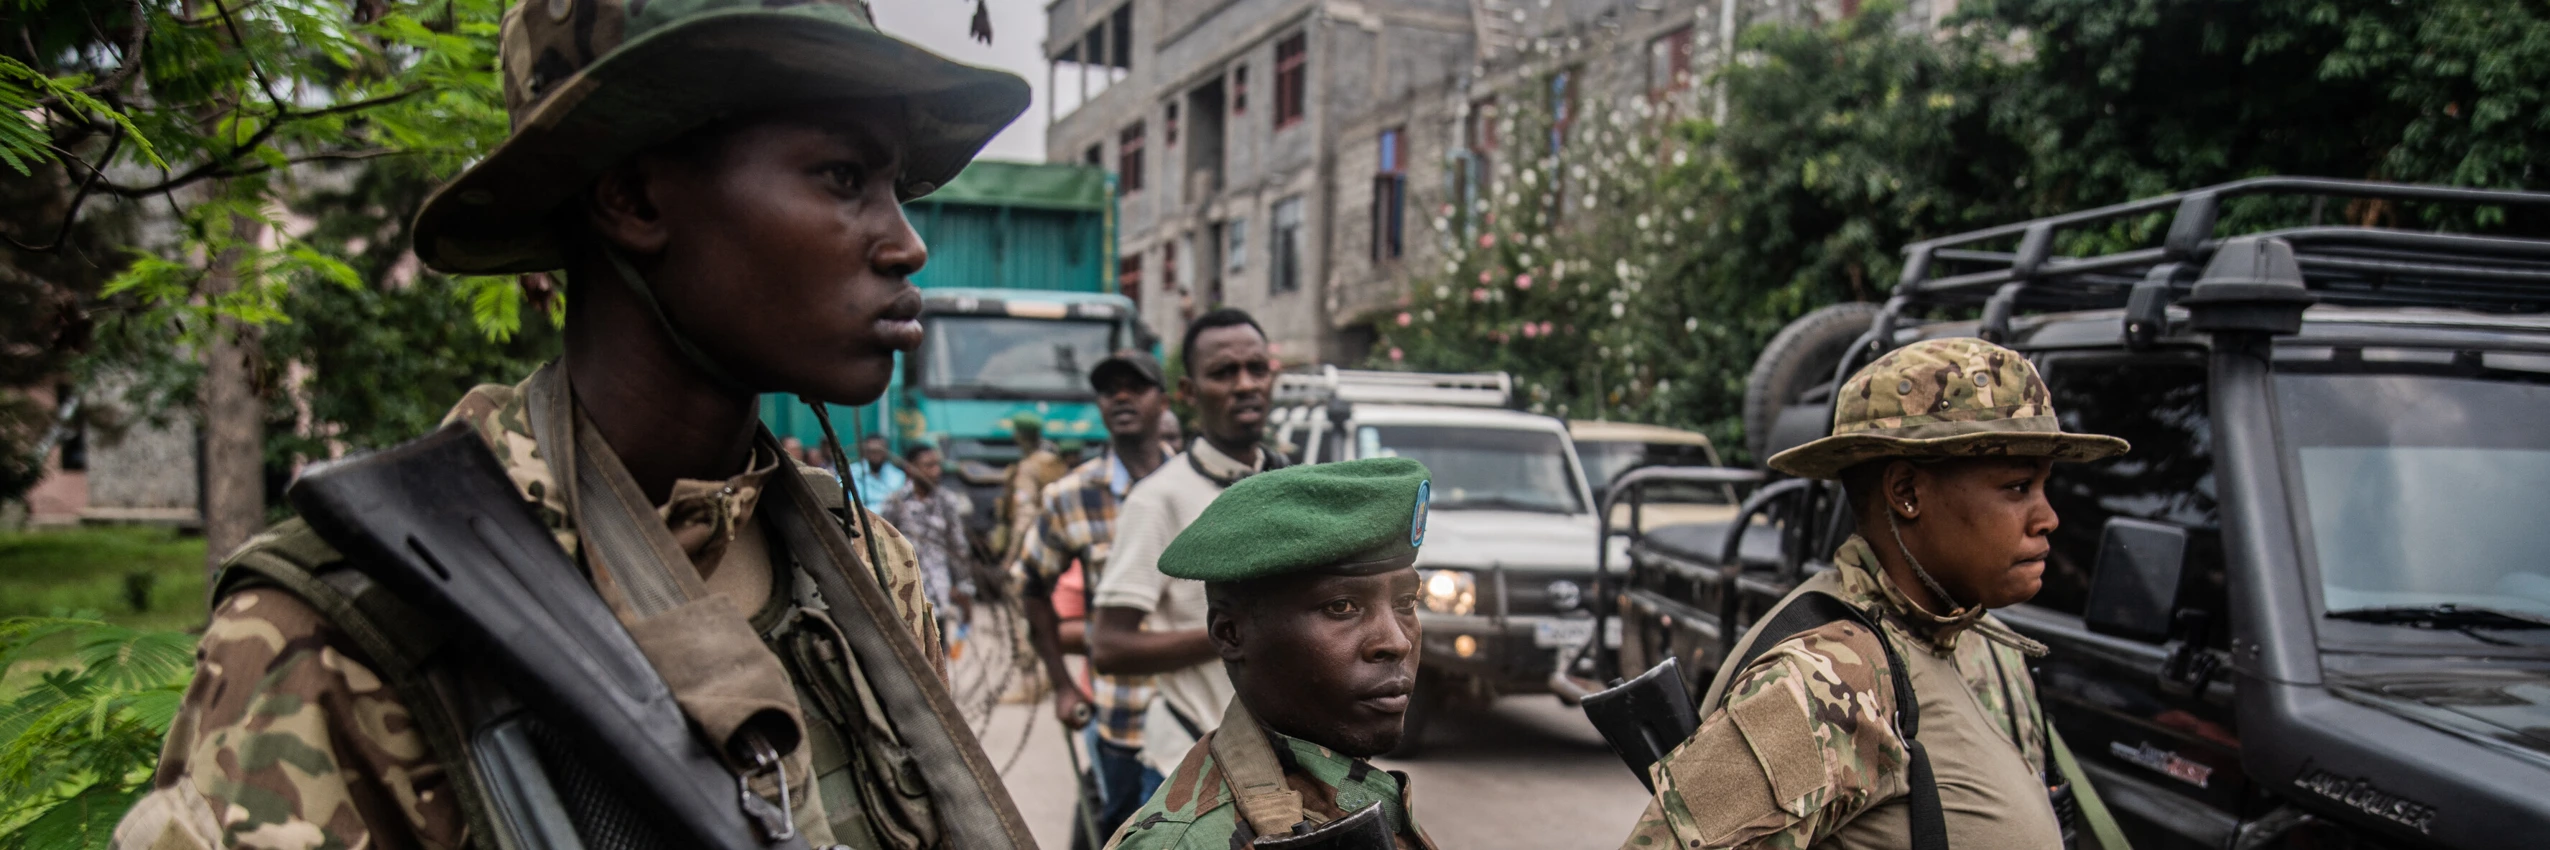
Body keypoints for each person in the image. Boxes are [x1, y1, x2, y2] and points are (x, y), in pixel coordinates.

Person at [107, 0, 1040, 846]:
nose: (905, 241)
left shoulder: (861, 572)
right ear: (632, 197)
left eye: (894, 185)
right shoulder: (361, 624)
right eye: (842, 176)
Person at [1618, 337, 2129, 850]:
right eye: (2017, 487)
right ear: (1906, 493)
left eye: (2044, 487)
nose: (2049, 518)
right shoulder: (1824, 679)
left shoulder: (1982, 639)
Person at [1104, 457, 1438, 850]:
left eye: (1405, 601)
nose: (1397, 641)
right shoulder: (1189, 842)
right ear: (1230, 634)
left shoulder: (1341, 784)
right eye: (1341, 607)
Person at [1090, 308, 1281, 779]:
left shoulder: (1288, 485)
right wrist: (1241, 636)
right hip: (1194, 762)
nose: (1245, 384)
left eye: (1256, 369)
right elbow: (1109, 647)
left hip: (1279, 762)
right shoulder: (1157, 499)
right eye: (1223, 372)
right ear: (1189, 394)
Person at [1019, 350, 1176, 845]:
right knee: (1123, 835)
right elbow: (1030, 587)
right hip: (1121, 717)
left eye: (1138, 385)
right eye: (1111, 389)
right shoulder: (1071, 496)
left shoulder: (1199, 488)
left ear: (1164, 400)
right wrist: (1063, 684)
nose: (1123, 396)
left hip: (1199, 714)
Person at [882, 441, 975, 643]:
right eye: (928, 466)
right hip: (904, 595)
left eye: (937, 465)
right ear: (911, 468)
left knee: (936, 660)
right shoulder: (895, 502)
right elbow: (882, 546)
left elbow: (957, 546)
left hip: (936, 595)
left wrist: (964, 587)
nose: (936, 471)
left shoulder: (946, 502)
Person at [997, 411, 1070, 565]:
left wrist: (1009, 560)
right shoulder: (1055, 462)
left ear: (1020, 436)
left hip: (1035, 543)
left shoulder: (1029, 467)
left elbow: (1025, 512)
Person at [849, 432, 908, 511]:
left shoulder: (898, 475)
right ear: (865, 451)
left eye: (879, 451)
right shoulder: (852, 472)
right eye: (872, 451)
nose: (876, 455)